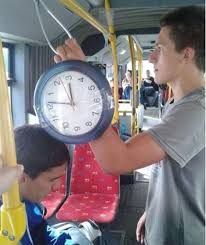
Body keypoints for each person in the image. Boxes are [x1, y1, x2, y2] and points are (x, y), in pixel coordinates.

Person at [54, 5, 205, 245]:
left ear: (187, 54)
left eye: (159, 48)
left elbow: (118, 161)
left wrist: (83, 79)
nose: (152, 57)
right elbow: (171, 173)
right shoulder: (177, 104)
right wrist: (152, 211)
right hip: (164, 225)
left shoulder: (196, 111)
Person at [0, 124, 101, 245]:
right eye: (52, 179)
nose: (57, 186)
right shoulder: (6, 217)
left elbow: (41, 234)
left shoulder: (30, 204)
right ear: (21, 176)